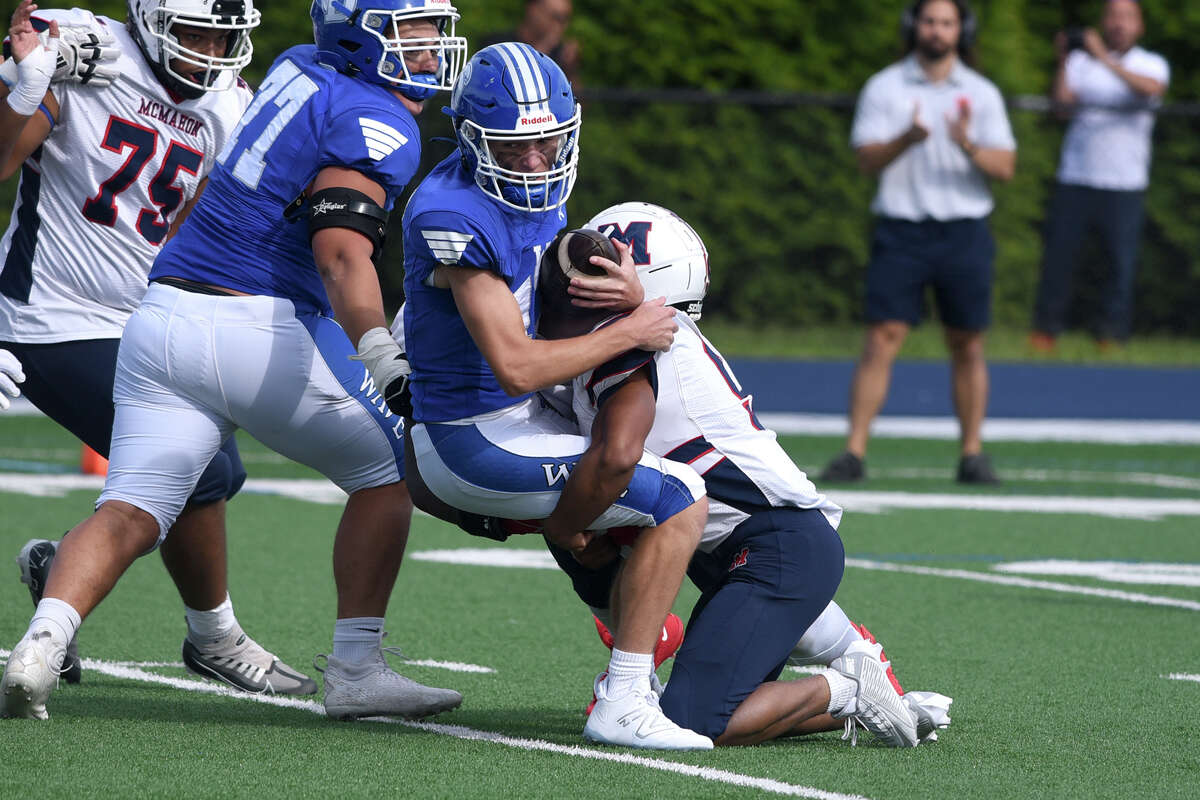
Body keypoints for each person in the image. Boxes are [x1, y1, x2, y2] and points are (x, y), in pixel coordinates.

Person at [0, 0, 468, 722]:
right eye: (414, 31)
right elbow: (341, 253)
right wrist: (380, 352)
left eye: (435, 29)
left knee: (133, 505)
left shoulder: (292, 69)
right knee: (392, 468)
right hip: (241, 322)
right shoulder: (378, 122)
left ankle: (40, 645)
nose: (433, 46)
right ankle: (355, 668)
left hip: (158, 318)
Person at [392, 43, 712, 750]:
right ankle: (625, 696)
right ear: (474, 140)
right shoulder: (452, 212)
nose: (537, 162)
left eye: (548, 142)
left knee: (640, 473)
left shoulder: (528, 184)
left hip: (512, 419)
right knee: (682, 495)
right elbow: (514, 365)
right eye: (516, 148)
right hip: (476, 436)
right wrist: (630, 329)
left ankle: (642, 633)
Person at [535, 202, 941, 748]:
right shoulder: (626, 341)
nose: (576, 289)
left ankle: (847, 692)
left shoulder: (652, 341)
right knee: (561, 500)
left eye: (596, 277)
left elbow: (615, 452)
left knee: (692, 720)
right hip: (723, 549)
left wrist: (566, 527)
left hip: (778, 546)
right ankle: (644, 659)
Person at [0, 0, 318, 694]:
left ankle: (67, 575)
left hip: (143, 317)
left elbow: (198, 228)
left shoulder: (229, 104)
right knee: (197, 471)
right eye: (195, 30)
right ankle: (214, 638)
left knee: (213, 471)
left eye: (222, 34)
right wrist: (25, 86)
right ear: (148, 18)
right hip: (48, 316)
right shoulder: (86, 49)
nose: (208, 49)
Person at [819, 0, 1015, 486]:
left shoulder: (981, 92)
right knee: (881, 338)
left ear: (960, 29)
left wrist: (966, 143)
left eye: (946, 22)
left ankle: (972, 453)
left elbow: (1006, 168)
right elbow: (865, 159)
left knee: (967, 342)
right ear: (914, 27)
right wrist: (908, 137)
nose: (937, 30)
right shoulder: (885, 87)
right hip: (902, 228)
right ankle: (854, 451)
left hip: (963, 228)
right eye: (929, 21)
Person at [1030, 0, 1169, 351]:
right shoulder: (1079, 63)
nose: (1119, 24)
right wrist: (1064, 58)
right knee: (1059, 258)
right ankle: (1046, 331)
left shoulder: (1150, 63)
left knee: (1118, 265)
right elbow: (1061, 107)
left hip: (1125, 182)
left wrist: (1103, 59)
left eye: (1127, 17)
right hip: (1076, 176)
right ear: (1103, 22)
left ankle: (1110, 336)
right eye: (1113, 16)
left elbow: (1150, 90)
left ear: (1139, 26)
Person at [478, 0, 580, 88]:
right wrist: (545, 46)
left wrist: (570, 69)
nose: (560, 26)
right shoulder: (498, 45)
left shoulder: (561, 53)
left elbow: (578, 101)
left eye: (565, 20)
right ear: (533, 9)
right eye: (556, 17)